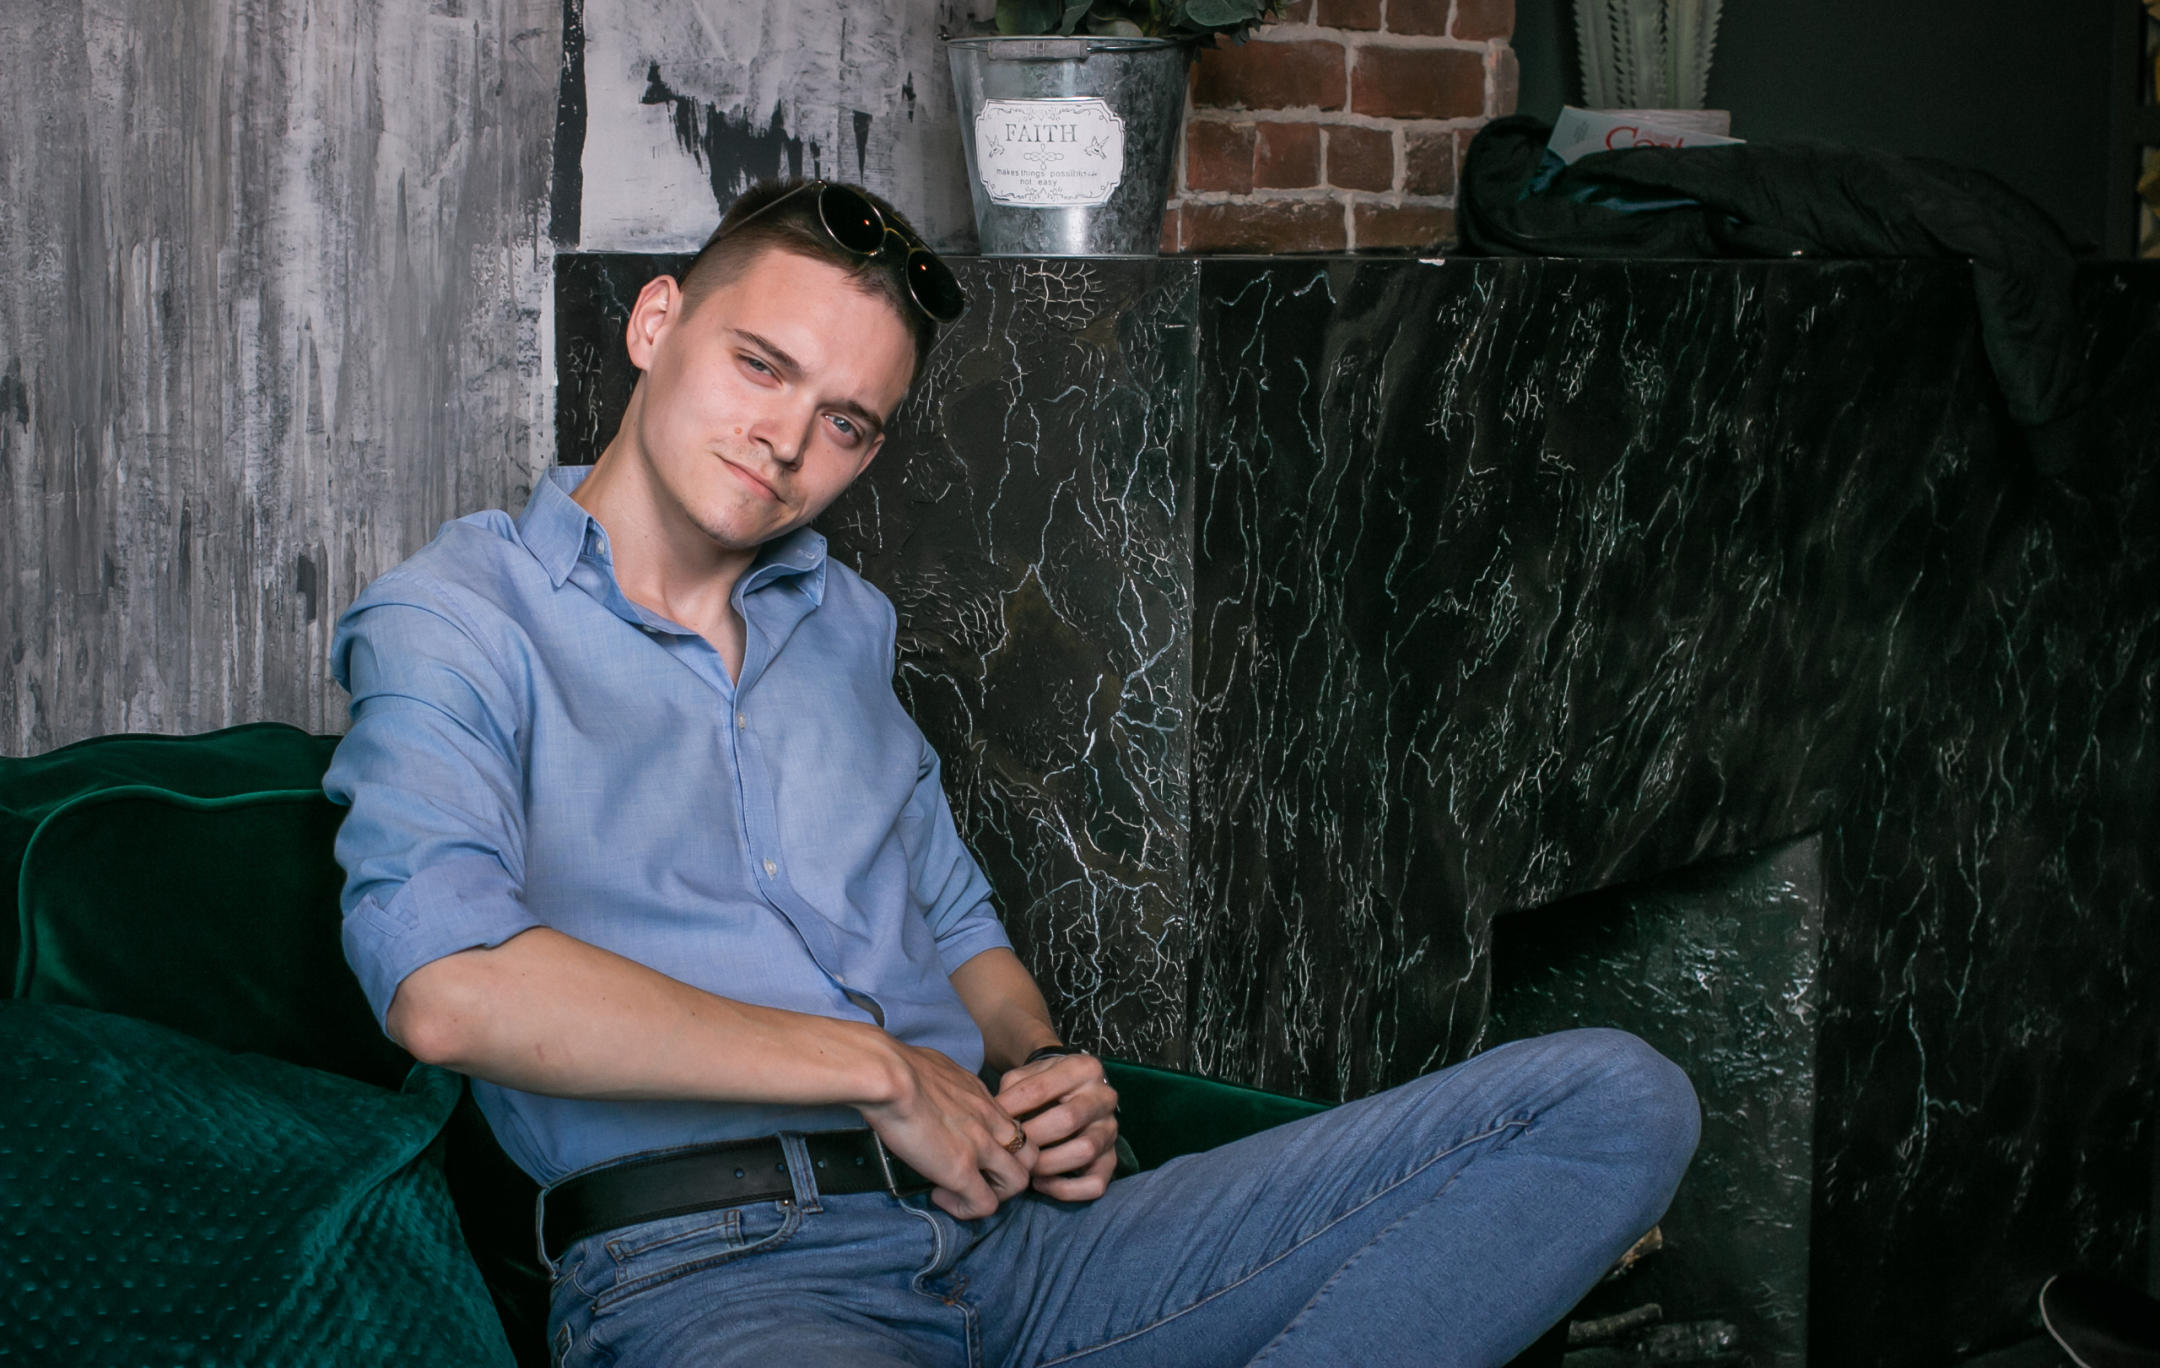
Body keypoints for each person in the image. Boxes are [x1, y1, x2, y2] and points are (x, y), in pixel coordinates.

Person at [324, 178, 1700, 1368]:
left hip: (1019, 1244)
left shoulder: (842, 626)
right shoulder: (459, 619)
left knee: (1612, 1102)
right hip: (717, 1276)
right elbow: (448, 987)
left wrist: (1040, 1063)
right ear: (655, 323)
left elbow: (958, 922)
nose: (788, 441)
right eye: (760, 366)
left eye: (848, 421)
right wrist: (875, 1072)